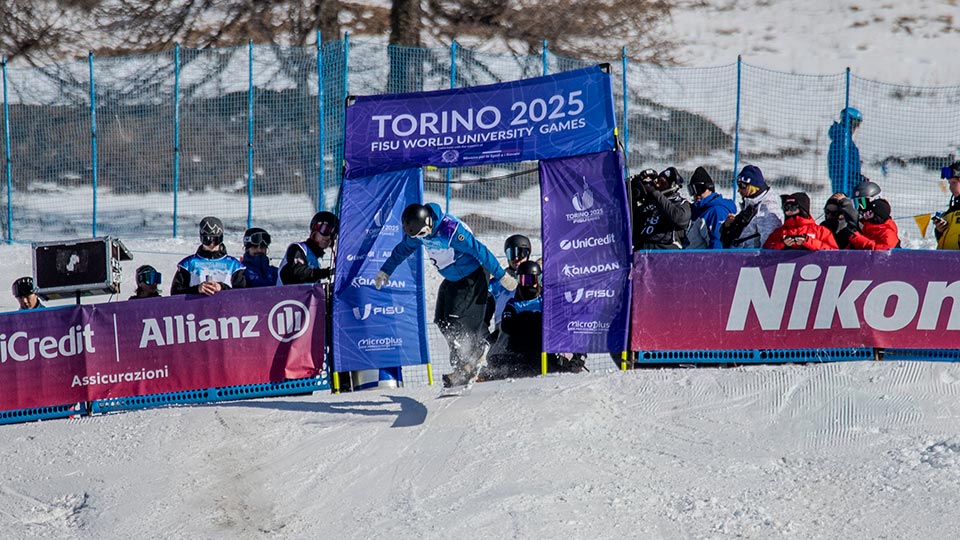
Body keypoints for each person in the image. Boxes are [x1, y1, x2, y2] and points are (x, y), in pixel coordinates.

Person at [375, 202, 517, 388]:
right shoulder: (418, 232)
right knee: (442, 319)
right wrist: (385, 271)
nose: (421, 238)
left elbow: (480, 251)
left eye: (423, 234)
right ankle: (461, 365)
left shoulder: (451, 231)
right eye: (417, 236)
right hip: (453, 279)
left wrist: (502, 276)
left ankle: (473, 356)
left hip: (473, 277)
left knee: (455, 320)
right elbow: (403, 249)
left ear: (429, 223)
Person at [483, 261, 586, 380]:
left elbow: (564, 326)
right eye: (524, 280)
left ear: (539, 280)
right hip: (520, 356)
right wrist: (536, 319)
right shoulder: (513, 305)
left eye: (532, 280)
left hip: (544, 356)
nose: (528, 285)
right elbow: (508, 327)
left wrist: (576, 356)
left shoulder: (546, 303)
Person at [171, 216, 246, 295]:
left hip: (226, 306)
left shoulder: (234, 265)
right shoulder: (188, 264)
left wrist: (222, 288)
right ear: (201, 238)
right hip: (196, 306)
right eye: (207, 239)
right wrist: (197, 289)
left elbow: (243, 294)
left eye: (216, 239)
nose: (212, 244)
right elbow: (175, 293)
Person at [721, 164, 782, 248]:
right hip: (739, 256)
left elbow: (769, 245)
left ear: (753, 186)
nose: (739, 190)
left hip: (750, 259)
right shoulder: (751, 203)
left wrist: (758, 260)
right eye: (738, 185)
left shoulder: (767, 209)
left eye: (742, 186)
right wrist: (729, 226)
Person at [631, 167, 691, 250]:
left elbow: (679, 219)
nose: (657, 185)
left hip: (664, 251)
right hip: (642, 250)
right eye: (657, 181)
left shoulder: (681, 203)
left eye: (662, 183)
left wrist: (654, 193)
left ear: (672, 187)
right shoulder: (648, 202)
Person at [487, 234, 531, 342]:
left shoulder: (537, 278)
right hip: (504, 330)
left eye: (521, 253)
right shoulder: (497, 283)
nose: (516, 258)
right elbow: (483, 316)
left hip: (531, 326)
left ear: (528, 254)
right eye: (511, 253)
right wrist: (487, 337)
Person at [277, 211, 337, 285]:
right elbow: (297, 272)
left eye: (333, 234)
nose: (328, 237)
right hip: (286, 295)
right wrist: (325, 273)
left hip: (300, 296)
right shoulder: (298, 249)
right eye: (325, 230)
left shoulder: (315, 260)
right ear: (315, 229)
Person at [837, 180, 899, 250]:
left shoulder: (887, 231)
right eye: (857, 203)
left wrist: (857, 239)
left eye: (864, 202)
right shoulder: (865, 226)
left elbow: (882, 251)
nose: (861, 208)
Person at [763, 193, 838, 250]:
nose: (788, 211)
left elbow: (834, 253)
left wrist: (809, 242)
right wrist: (782, 244)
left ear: (802, 209)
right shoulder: (779, 232)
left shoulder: (821, 231)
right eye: (786, 208)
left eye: (792, 207)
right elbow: (765, 252)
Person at [685, 166, 737, 249]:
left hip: (704, 260)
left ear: (710, 188)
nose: (696, 194)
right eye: (692, 190)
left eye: (699, 189)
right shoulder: (698, 211)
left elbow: (717, 242)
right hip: (691, 258)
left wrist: (714, 261)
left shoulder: (716, 211)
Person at [828, 106, 863, 196]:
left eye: (857, 124)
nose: (855, 128)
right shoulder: (842, 140)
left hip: (850, 184)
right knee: (857, 206)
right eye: (854, 123)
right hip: (845, 186)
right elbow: (842, 164)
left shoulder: (846, 140)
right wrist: (855, 177)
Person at [935, 162, 960, 250]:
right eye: (949, 183)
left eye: (954, 182)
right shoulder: (951, 211)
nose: (950, 187)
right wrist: (939, 230)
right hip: (945, 260)